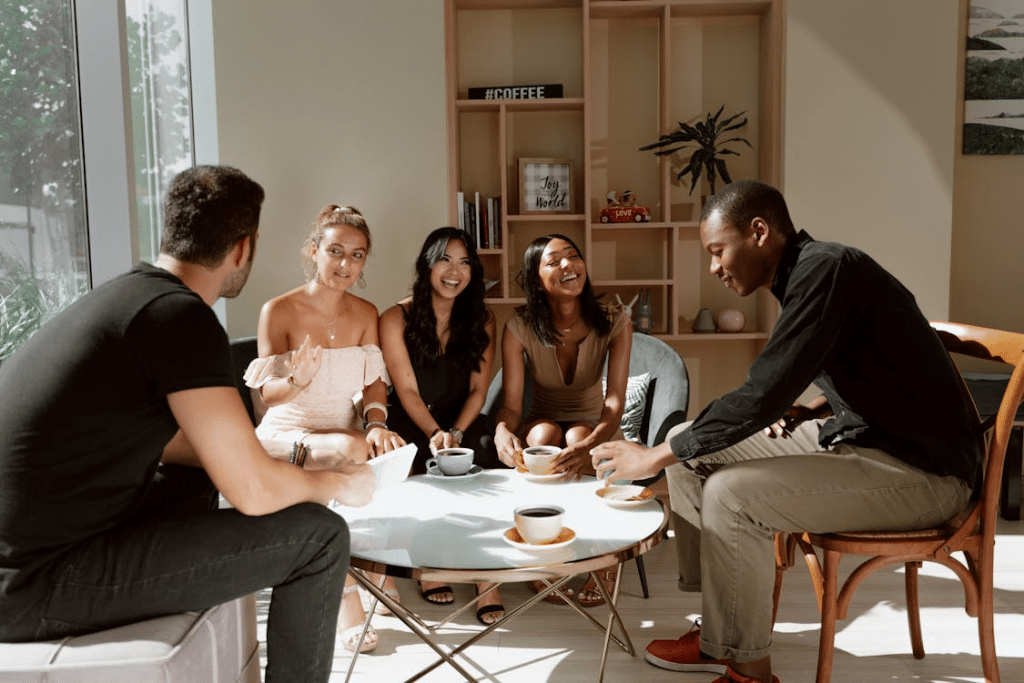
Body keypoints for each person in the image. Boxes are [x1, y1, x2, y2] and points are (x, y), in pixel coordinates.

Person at [591, 180, 978, 683]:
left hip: (926, 472)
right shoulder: (810, 274)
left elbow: (761, 393)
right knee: (692, 449)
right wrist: (812, 407)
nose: (714, 268)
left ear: (758, 232)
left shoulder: (826, 269)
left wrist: (653, 456)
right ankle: (722, 635)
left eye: (717, 251)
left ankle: (750, 674)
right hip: (860, 437)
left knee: (730, 493)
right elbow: (882, 367)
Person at [0, 165, 373, 683]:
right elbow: (253, 494)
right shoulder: (182, 318)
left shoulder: (129, 300)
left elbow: (184, 447)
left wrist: (303, 457)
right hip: (35, 583)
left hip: (26, 560)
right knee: (321, 536)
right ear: (243, 248)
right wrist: (339, 484)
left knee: (196, 482)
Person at [244, 203, 405, 653]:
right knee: (352, 453)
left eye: (357, 255)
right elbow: (265, 396)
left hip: (346, 434)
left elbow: (374, 386)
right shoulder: (277, 310)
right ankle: (348, 597)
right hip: (290, 434)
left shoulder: (366, 312)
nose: (346, 264)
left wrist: (376, 424)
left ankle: (375, 570)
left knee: (386, 450)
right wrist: (296, 379)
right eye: (335, 251)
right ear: (314, 251)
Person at [494, 233, 632, 607]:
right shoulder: (519, 327)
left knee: (578, 439)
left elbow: (614, 402)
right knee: (542, 434)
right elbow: (510, 404)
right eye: (554, 261)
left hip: (595, 422)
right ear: (536, 278)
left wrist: (590, 442)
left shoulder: (615, 321)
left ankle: (604, 557)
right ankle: (545, 557)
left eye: (573, 256)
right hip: (543, 416)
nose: (568, 265)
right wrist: (502, 429)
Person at [379, 226, 504, 624]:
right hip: (413, 416)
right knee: (412, 468)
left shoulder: (483, 318)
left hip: (460, 418)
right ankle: (432, 564)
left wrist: (459, 433)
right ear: (426, 265)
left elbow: (478, 391)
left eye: (465, 262)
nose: (455, 271)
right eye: (445, 260)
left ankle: (487, 577)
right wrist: (436, 434)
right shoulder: (394, 317)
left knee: (489, 458)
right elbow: (408, 390)